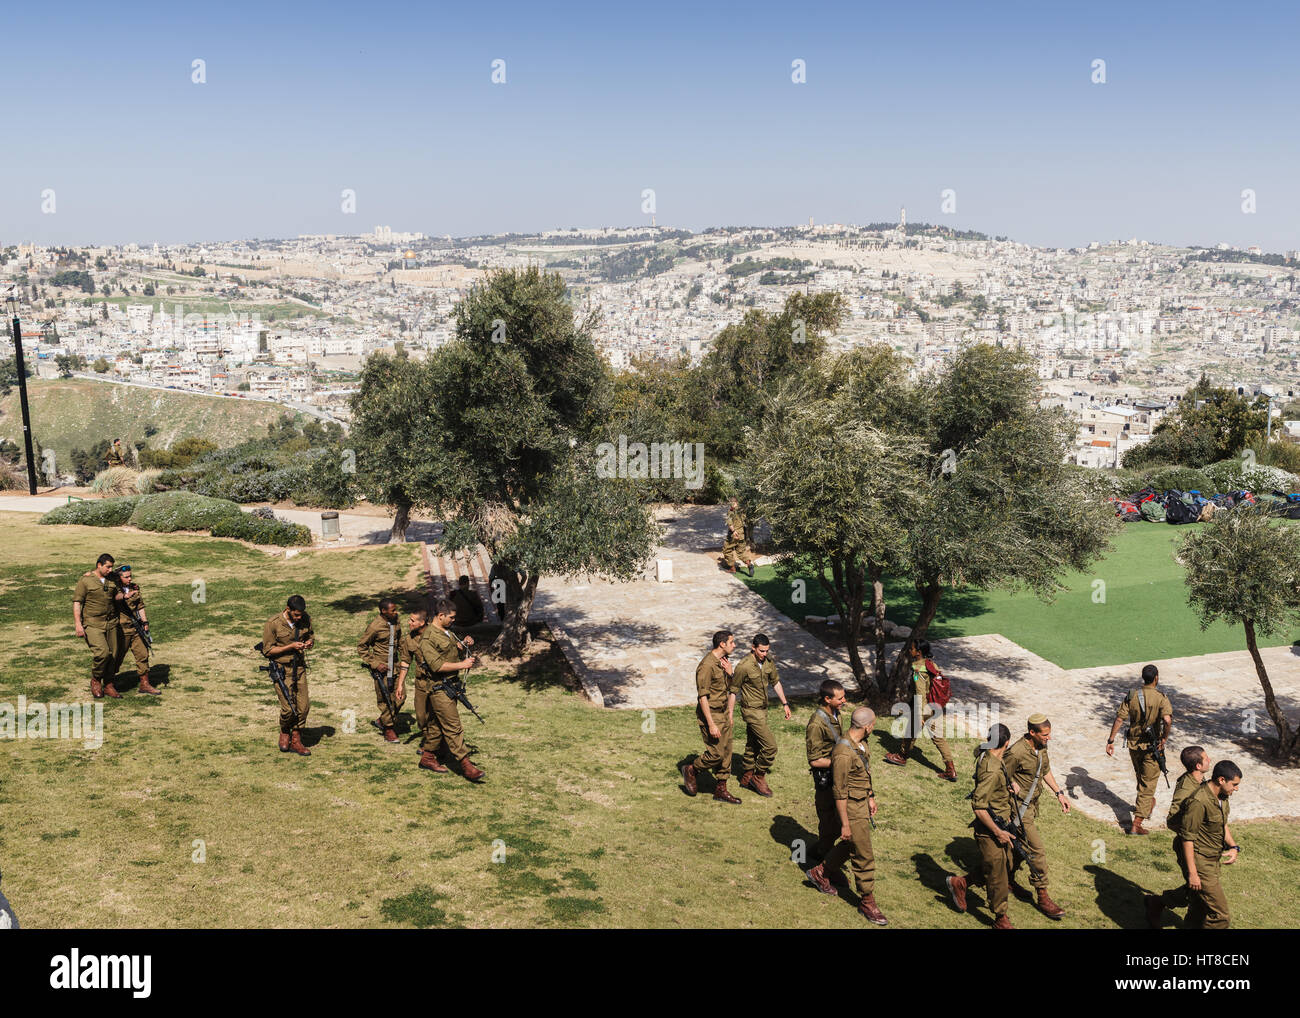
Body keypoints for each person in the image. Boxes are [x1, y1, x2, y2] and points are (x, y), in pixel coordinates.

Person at [807, 707, 887, 924]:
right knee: (863, 854)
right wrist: (844, 824)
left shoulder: (861, 744)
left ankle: (821, 872)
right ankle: (867, 901)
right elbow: (839, 792)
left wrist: (870, 796)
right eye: (874, 725)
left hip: (861, 801)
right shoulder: (843, 753)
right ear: (868, 726)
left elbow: (864, 772)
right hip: (850, 806)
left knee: (851, 844)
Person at [945, 723, 1018, 930]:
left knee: (1006, 864)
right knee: (997, 873)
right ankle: (1000, 918)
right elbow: (978, 807)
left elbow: (996, 780)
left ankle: (961, 883)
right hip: (992, 828)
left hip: (1002, 823)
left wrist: (1008, 785)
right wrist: (998, 832)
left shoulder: (991, 756)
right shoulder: (992, 769)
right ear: (1007, 742)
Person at [409, 599, 484, 783]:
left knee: (436, 725)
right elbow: (436, 665)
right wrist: (462, 664)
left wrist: (464, 644)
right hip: (439, 688)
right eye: (451, 617)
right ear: (440, 616)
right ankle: (466, 766)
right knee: (453, 726)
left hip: (451, 686)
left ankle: (427, 758)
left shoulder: (446, 632)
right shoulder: (427, 638)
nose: (453, 620)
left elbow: (449, 650)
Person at [1002, 714, 1069, 918]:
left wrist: (1059, 794)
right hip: (1018, 810)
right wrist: (1009, 787)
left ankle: (1004, 880)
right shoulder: (1016, 752)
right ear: (1032, 732)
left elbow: (1045, 770)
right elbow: (1000, 774)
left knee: (1018, 848)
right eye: (1045, 734)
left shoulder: (1040, 746)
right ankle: (1043, 895)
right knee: (1036, 850)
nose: (1049, 738)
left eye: (1049, 734)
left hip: (1031, 806)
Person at [1144, 745, 1212, 927]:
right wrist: (1192, 834)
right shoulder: (1186, 787)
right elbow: (1172, 820)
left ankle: (1159, 904)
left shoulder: (1201, 781)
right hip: (1188, 846)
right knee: (1199, 889)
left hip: (1203, 846)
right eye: (1206, 758)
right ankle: (1159, 903)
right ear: (1198, 766)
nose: (1209, 760)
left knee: (1200, 888)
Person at [1173, 760, 1242, 929]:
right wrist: (1193, 873)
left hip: (1213, 858)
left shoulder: (1222, 796)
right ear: (1221, 780)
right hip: (1200, 861)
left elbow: (1222, 824)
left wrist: (1233, 846)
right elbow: (1187, 838)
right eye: (1234, 784)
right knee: (1220, 916)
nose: (1237, 788)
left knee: (1199, 906)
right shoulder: (1199, 801)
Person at [1106, 664, 1173, 835]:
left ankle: (1147, 804)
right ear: (1156, 678)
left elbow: (1120, 719)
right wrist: (1164, 738)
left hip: (1133, 744)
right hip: (1152, 746)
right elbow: (1167, 720)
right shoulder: (1161, 697)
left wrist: (1111, 740)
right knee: (1148, 783)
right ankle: (1137, 823)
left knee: (1141, 777)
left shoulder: (1133, 695)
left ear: (1143, 678)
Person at [680, 631, 739, 803]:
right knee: (716, 754)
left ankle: (721, 790)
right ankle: (691, 769)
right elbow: (702, 697)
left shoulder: (723, 663)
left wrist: (730, 674)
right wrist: (711, 724)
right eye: (732, 642)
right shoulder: (706, 666)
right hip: (711, 714)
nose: (734, 645)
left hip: (724, 712)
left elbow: (728, 688)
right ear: (722, 644)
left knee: (727, 753)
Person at [884, 641, 956, 781]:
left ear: (918, 652)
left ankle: (902, 757)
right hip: (935, 706)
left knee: (910, 732)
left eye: (912, 649)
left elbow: (920, 693)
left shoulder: (918, 670)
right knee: (938, 738)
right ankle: (950, 769)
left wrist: (921, 715)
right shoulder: (931, 664)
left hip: (924, 708)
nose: (910, 651)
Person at [731, 633, 792, 797]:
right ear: (753, 647)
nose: (765, 654)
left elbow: (776, 682)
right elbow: (733, 690)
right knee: (770, 746)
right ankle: (758, 776)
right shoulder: (743, 666)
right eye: (762, 651)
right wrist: (729, 714)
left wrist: (785, 703)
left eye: (767, 651)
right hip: (751, 711)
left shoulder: (768, 662)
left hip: (763, 709)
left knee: (753, 743)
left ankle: (746, 777)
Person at [262, 594, 314, 756]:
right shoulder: (273, 624)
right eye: (296, 614)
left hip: (299, 668)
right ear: (287, 610)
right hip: (281, 669)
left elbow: (310, 635)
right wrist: (290, 646)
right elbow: (268, 650)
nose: (299, 618)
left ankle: (296, 739)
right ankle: (285, 731)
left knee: (303, 706)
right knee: (288, 709)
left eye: (301, 614)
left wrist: (309, 643)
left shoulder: (305, 619)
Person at [805, 680, 847, 859]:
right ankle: (821, 858)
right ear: (827, 699)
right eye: (840, 698)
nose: (844, 700)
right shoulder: (816, 724)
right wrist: (842, 762)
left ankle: (823, 852)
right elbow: (814, 760)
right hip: (826, 779)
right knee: (829, 821)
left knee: (840, 819)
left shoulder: (837, 714)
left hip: (838, 775)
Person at [73, 553, 123, 699]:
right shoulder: (86, 580)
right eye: (107, 566)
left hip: (111, 622)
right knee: (102, 653)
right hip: (93, 623)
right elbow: (77, 603)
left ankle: (108, 685)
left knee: (113, 656)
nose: (110, 569)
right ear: (99, 565)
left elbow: (117, 595)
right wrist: (78, 625)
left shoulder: (112, 578)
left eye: (111, 567)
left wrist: (125, 595)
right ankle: (96, 680)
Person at [356, 598, 406, 742]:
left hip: (395, 666)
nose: (396, 612)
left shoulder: (396, 621)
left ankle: (382, 720)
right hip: (382, 669)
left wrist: (405, 657)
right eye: (393, 610)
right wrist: (375, 663)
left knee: (401, 697)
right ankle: (388, 729)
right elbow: (362, 647)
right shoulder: (374, 627)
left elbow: (400, 639)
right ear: (383, 611)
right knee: (385, 699)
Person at [111, 565, 160, 695]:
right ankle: (107, 683)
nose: (130, 578)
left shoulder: (134, 587)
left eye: (130, 576)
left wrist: (145, 622)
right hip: (121, 629)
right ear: (119, 578)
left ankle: (145, 684)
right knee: (117, 657)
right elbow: (116, 598)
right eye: (126, 577)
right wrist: (125, 596)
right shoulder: (114, 589)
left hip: (136, 628)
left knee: (143, 654)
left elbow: (140, 606)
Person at [720, 498, 756, 576]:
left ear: (733, 503)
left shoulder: (730, 512)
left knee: (727, 550)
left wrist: (733, 531)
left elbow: (730, 524)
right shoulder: (742, 511)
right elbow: (747, 522)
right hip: (742, 535)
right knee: (741, 552)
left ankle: (732, 569)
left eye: (731, 503)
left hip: (733, 535)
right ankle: (749, 565)